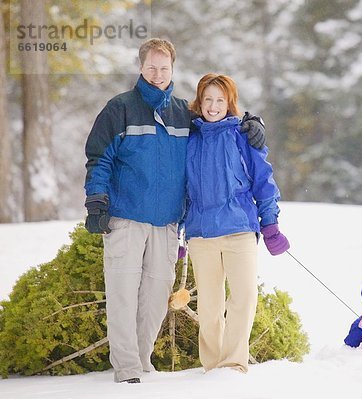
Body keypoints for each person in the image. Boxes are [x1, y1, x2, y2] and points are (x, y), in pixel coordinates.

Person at [83, 38, 266, 384]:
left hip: (166, 222)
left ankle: (142, 361)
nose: (157, 74)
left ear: (172, 70)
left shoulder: (184, 113)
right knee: (123, 293)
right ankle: (126, 369)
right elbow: (99, 157)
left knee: (154, 298)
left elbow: (219, 117)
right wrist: (97, 198)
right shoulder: (119, 108)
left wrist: (252, 121)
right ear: (140, 67)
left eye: (163, 68)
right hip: (126, 217)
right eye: (151, 66)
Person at [184, 73, 290, 374]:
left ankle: (232, 366)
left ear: (230, 103)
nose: (214, 106)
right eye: (208, 99)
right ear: (199, 102)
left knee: (243, 297)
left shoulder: (244, 135)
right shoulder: (189, 139)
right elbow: (182, 189)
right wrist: (178, 235)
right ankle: (212, 366)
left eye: (220, 100)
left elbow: (264, 181)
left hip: (239, 229)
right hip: (201, 234)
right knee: (208, 306)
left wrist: (270, 225)